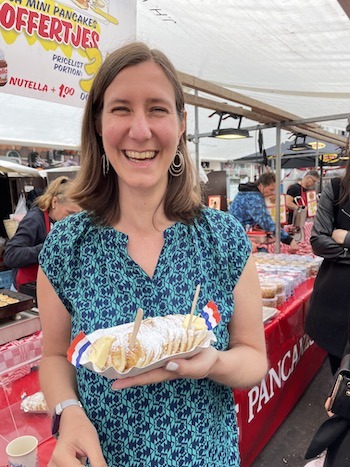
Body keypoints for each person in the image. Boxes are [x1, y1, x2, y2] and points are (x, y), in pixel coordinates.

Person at [37, 42, 268, 467]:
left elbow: (254, 358)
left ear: (181, 123)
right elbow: (53, 357)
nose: (140, 130)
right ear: (99, 123)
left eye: (157, 109)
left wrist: (213, 362)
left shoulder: (222, 238)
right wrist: (68, 414)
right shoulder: (66, 246)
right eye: (121, 108)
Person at [305, 165, 350, 376]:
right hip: (337, 307)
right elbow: (318, 241)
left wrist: (346, 239)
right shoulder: (336, 188)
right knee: (342, 385)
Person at [4, 176, 80, 291]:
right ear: (54, 202)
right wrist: (47, 248)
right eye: (70, 213)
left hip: (51, 287)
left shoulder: (64, 223)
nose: (73, 219)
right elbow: (10, 255)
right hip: (28, 289)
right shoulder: (34, 219)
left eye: (77, 215)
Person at [229, 172, 299, 252]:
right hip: (237, 237)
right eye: (271, 189)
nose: (273, 193)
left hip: (236, 233)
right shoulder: (254, 197)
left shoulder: (247, 193)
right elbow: (266, 222)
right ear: (261, 186)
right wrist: (289, 240)